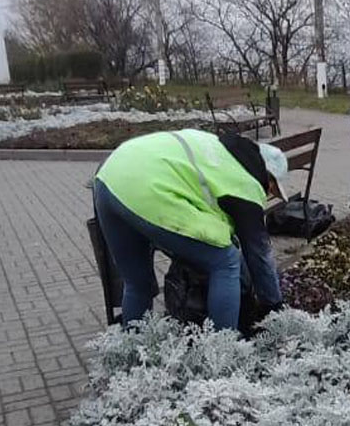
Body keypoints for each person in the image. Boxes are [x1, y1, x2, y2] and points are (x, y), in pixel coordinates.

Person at [92, 128, 286, 328]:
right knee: (225, 261)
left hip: (109, 177)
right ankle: (224, 350)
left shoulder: (221, 147)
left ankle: (129, 351)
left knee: (137, 284)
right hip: (147, 188)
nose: (268, 194)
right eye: (272, 189)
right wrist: (273, 304)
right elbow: (258, 253)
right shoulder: (248, 183)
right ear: (268, 176)